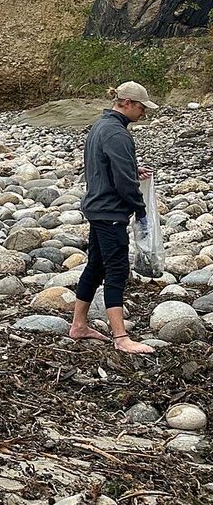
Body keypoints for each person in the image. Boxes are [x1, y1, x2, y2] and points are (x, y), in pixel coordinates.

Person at [69, 82, 158, 355]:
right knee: (117, 269)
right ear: (128, 103)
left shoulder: (100, 126)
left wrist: (133, 168)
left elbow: (105, 164)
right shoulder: (118, 134)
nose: (144, 113)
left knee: (96, 265)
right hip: (110, 212)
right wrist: (139, 208)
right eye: (142, 107)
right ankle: (121, 337)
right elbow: (121, 181)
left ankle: (78, 326)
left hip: (97, 207)